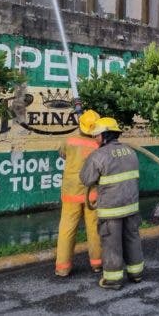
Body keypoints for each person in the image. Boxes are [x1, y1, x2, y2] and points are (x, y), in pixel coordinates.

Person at [80, 117, 144, 290]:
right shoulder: (130, 151)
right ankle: (136, 274)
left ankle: (113, 279)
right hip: (131, 206)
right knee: (132, 239)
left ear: (105, 135)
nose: (95, 139)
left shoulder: (98, 155)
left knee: (111, 243)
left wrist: (88, 162)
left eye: (96, 135)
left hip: (111, 209)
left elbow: (86, 180)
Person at [55, 109, 102, 277]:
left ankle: (63, 267)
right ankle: (97, 264)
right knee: (95, 229)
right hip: (92, 193)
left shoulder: (68, 141)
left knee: (67, 229)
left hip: (71, 192)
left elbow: (62, 154)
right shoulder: (99, 144)